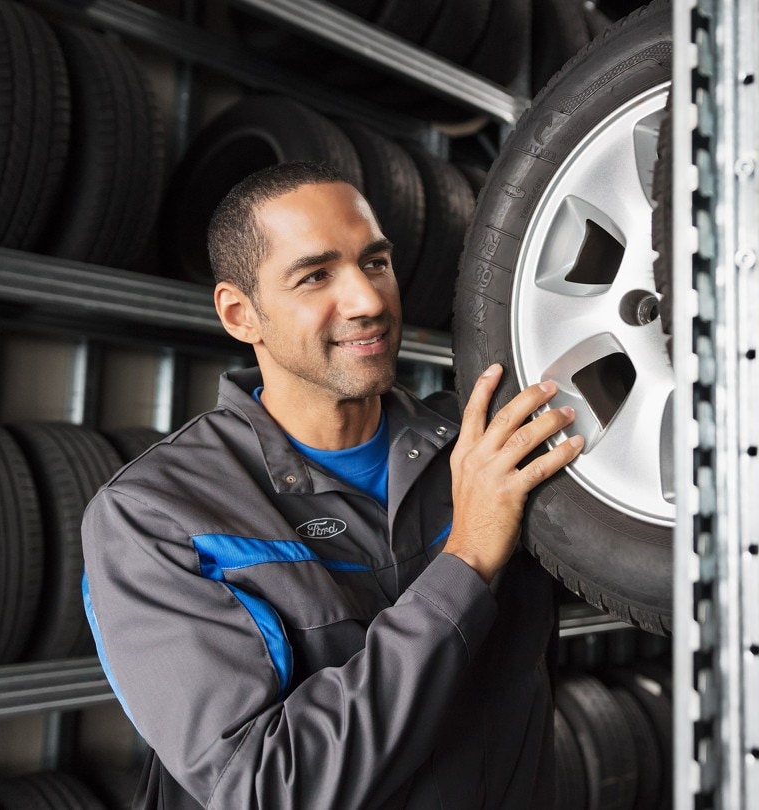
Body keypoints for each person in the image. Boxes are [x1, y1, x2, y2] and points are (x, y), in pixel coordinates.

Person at [80, 160, 583, 809]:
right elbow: (266, 788)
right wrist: (467, 560)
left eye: (375, 263)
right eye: (316, 276)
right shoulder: (156, 518)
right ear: (241, 315)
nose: (369, 301)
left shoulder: (486, 444)